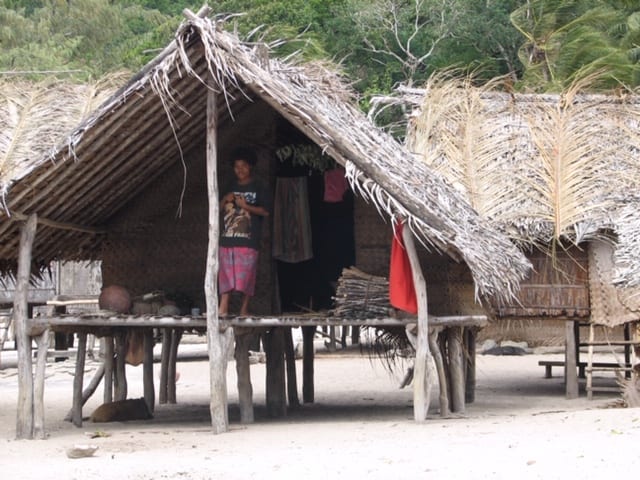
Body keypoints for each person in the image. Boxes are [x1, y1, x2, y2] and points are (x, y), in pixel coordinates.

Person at [218, 147, 270, 316]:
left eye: (244, 166)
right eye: (236, 166)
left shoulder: (258, 187)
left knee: (247, 276)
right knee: (225, 275)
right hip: (227, 239)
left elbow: (265, 212)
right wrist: (225, 199)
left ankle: (244, 309)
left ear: (251, 167)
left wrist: (245, 206)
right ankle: (223, 308)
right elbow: (216, 209)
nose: (240, 170)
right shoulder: (229, 186)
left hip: (248, 240)